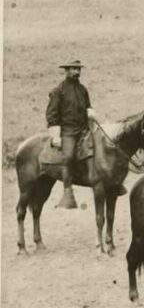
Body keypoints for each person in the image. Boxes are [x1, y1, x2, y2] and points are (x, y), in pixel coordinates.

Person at [46, 59, 100, 209]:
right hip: (68, 132)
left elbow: (88, 106)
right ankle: (67, 193)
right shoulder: (58, 91)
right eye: (73, 69)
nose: (77, 72)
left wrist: (91, 114)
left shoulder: (83, 89)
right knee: (68, 156)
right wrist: (56, 136)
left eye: (78, 69)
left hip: (84, 130)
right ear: (67, 70)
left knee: (101, 148)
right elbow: (51, 115)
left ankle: (109, 183)